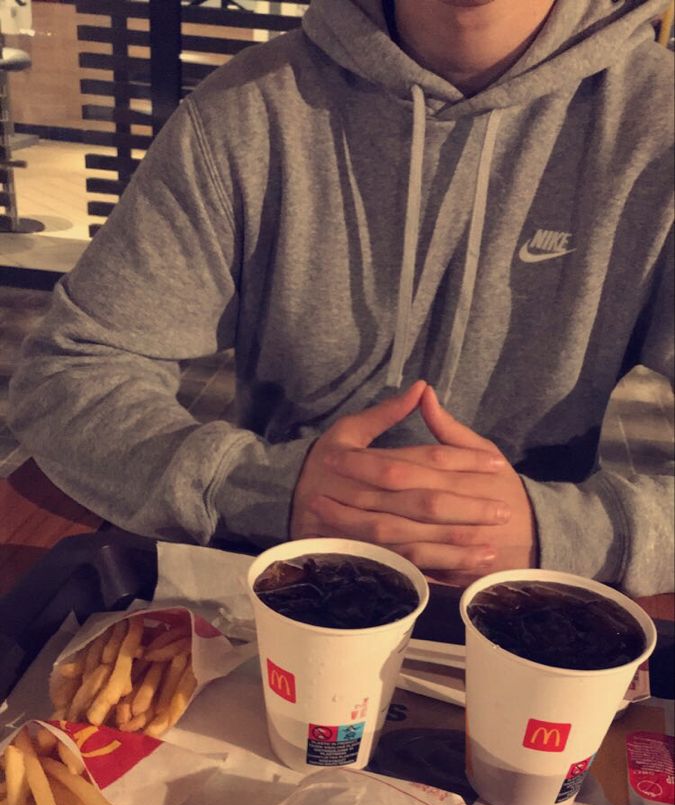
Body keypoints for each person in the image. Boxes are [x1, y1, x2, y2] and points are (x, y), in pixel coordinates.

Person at [7, 0, 674, 593]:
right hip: (272, 574)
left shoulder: (658, 126)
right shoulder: (247, 108)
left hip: (532, 597)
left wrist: (568, 531)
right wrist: (261, 488)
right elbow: (70, 372)